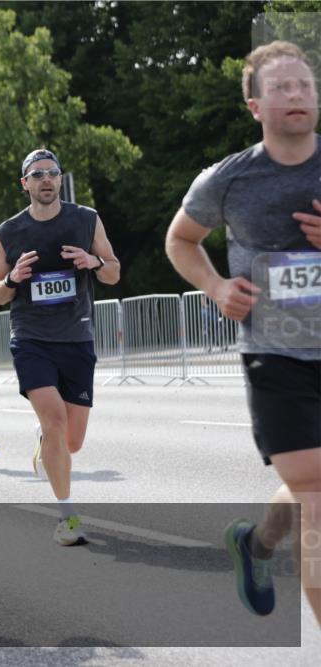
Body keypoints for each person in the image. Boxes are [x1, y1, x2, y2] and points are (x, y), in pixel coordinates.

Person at [165, 40, 320, 626]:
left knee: (313, 487)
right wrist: (214, 286)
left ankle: (255, 544)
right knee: (316, 496)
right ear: (254, 105)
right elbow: (180, 240)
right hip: (276, 356)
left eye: (304, 83)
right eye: (280, 86)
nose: (297, 93)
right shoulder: (228, 179)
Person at [0, 148, 120, 546]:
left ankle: (46, 444)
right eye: (37, 174)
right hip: (32, 340)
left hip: (76, 338)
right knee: (55, 422)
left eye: (52, 173)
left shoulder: (85, 219)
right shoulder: (8, 232)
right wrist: (12, 278)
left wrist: (93, 261)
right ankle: (68, 517)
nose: (46, 179)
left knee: (72, 441)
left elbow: (114, 272)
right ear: (24, 183)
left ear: (60, 179)